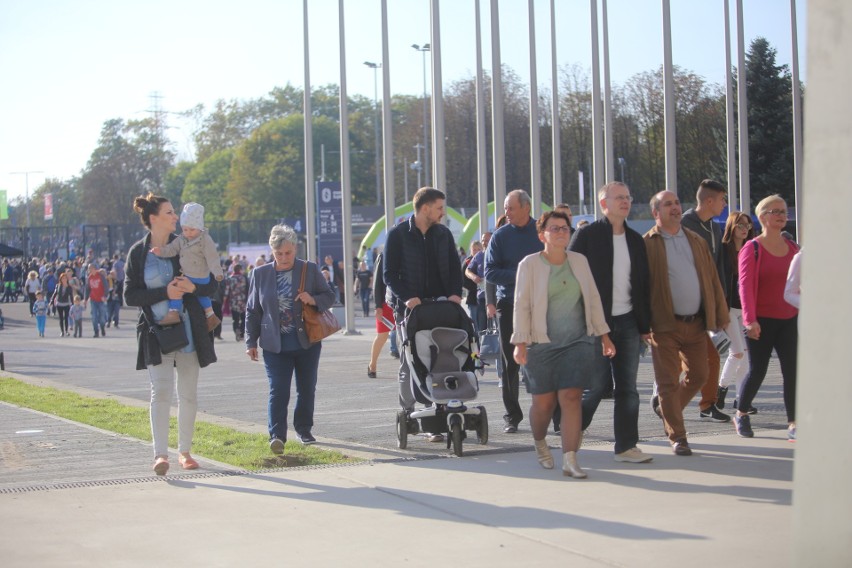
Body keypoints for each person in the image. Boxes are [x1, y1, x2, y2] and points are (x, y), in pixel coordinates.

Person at [512, 211, 614, 478]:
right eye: (554, 228)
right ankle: (540, 442)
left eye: (564, 228)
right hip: (540, 343)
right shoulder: (529, 264)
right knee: (543, 405)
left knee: (571, 398)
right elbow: (521, 304)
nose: (560, 232)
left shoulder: (579, 261)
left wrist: (604, 335)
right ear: (541, 234)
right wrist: (520, 342)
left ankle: (570, 460)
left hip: (576, 341)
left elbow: (592, 298)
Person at [125, 192, 218, 476]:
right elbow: (130, 295)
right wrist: (164, 293)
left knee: (188, 394)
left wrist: (193, 289)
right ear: (154, 219)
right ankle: (160, 455)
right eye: (169, 213)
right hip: (156, 332)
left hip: (190, 330)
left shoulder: (189, 243)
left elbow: (211, 285)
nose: (176, 217)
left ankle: (185, 452)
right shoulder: (138, 253)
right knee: (161, 392)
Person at [569, 182, 653, 464]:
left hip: (628, 321)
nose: (626, 201)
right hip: (594, 323)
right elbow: (570, 277)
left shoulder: (635, 240)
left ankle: (626, 446)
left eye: (628, 197)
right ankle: (574, 427)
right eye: (619, 197)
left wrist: (645, 325)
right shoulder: (587, 235)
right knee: (595, 386)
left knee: (627, 388)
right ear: (604, 204)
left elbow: (643, 285)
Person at [644, 190, 729, 456]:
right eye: (668, 204)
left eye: (677, 203)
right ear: (656, 213)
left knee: (700, 376)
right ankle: (678, 436)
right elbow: (640, 287)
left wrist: (720, 316)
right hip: (664, 325)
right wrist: (642, 323)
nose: (675, 208)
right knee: (668, 382)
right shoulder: (647, 243)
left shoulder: (696, 240)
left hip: (696, 323)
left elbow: (712, 279)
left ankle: (668, 410)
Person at [245, 224, 335, 451]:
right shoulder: (260, 274)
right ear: (272, 252)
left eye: (288, 252)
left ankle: (304, 429)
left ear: (295, 248)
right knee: (278, 389)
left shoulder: (309, 269)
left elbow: (329, 296)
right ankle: (276, 435)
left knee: (306, 388)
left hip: (307, 342)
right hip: (275, 345)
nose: (284, 258)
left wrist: (312, 299)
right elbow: (253, 310)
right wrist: (250, 341)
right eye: (279, 254)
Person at [384, 187, 463, 442]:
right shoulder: (397, 235)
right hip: (410, 310)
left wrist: (454, 294)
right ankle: (408, 413)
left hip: (441, 307)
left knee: (441, 359)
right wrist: (407, 297)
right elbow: (389, 274)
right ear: (426, 208)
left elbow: (454, 268)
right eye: (439, 208)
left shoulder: (443, 235)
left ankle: (437, 414)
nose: (442, 213)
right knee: (411, 360)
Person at [734, 195, 800, 441]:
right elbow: (745, 286)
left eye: (784, 211)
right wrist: (750, 320)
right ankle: (741, 412)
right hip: (761, 321)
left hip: (789, 318)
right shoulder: (753, 248)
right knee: (758, 371)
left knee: (792, 371)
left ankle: (794, 422)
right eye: (775, 211)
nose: (782, 215)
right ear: (762, 217)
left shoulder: (793, 248)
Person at [484, 189, 544, 433]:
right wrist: (520, 275)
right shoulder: (500, 236)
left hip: (541, 303)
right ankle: (512, 415)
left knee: (546, 359)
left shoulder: (542, 232)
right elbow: (489, 272)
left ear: (526, 208)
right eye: (505, 208)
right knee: (510, 362)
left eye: (510, 208)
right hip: (509, 303)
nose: (506, 212)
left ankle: (556, 416)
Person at [679, 179, 732, 423]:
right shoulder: (682, 225)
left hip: (709, 305)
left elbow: (719, 268)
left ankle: (707, 405)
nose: (724, 204)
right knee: (684, 360)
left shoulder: (716, 228)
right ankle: (666, 397)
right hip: (684, 306)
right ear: (709, 200)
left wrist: (721, 302)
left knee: (713, 356)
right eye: (722, 199)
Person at [150, 202, 223, 330]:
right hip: (188, 273)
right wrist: (161, 251)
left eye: (192, 229)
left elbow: (213, 258)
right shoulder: (181, 239)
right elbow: (172, 249)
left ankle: (173, 312)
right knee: (201, 296)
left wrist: (217, 272)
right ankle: (210, 315)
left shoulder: (204, 240)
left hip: (200, 274)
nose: (188, 233)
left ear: (199, 227)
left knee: (178, 287)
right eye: (185, 229)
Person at [718, 212, 756, 412]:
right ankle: (721, 389)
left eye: (747, 226)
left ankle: (741, 400)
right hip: (729, 309)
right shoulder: (724, 250)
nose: (744, 229)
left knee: (746, 357)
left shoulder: (751, 250)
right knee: (738, 353)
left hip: (745, 310)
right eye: (740, 225)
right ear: (732, 226)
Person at [367, 251, 397, 377]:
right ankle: (372, 364)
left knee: (406, 336)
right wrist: (378, 306)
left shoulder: (409, 251)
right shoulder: (384, 255)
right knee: (382, 336)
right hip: (386, 303)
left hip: (403, 301)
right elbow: (377, 282)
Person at [461, 241, 483, 333]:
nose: (476, 251)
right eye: (474, 249)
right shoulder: (467, 262)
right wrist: (475, 286)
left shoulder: (483, 259)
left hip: (482, 298)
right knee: (474, 324)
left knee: (482, 324)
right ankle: (476, 344)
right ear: (471, 250)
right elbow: (462, 279)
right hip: (472, 297)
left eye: (479, 249)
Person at [224, 263, 248, 341]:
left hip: (233, 301)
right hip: (243, 301)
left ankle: (236, 330)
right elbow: (248, 289)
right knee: (244, 318)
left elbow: (227, 290)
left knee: (235, 319)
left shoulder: (230, 278)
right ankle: (241, 334)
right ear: (240, 269)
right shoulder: (244, 278)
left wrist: (225, 300)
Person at [84, 263, 108, 338]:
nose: (89, 270)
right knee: (94, 316)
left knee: (102, 317)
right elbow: (87, 289)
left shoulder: (100, 276)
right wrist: (85, 299)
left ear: (94, 268)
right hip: (93, 299)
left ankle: (102, 328)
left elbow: (106, 286)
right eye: (88, 269)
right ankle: (96, 332)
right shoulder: (89, 278)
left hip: (101, 299)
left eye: (90, 268)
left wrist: (105, 295)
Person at [52, 271, 74, 337]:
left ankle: (66, 331)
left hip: (66, 303)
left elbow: (71, 296)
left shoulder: (69, 287)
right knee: (61, 318)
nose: (64, 279)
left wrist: (72, 304)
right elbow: (55, 294)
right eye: (62, 278)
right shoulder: (58, 286)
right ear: (60, 279)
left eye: (65, 278)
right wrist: (51, 301)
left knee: (66, 317)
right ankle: (62, 331)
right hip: (59, 304)